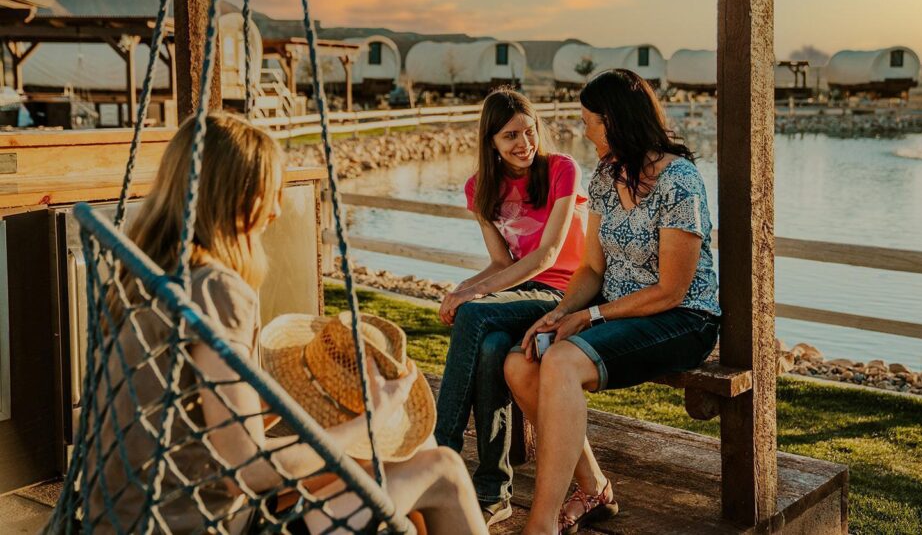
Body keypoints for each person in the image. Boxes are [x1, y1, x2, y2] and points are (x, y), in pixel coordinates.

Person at [88, 113, 486, 535]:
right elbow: (246, 471)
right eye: (270, 192)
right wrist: (369, 421)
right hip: (203, 523)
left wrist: (312, 400)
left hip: (125, 513)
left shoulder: (142, 276)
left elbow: (200, 415)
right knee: (442, 468)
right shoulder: (216, 290)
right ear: (237, 195)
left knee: (392, 459)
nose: (277, 210)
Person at [504, 70, 720, 535]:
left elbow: (672, 291)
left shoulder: (679, 182)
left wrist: (591, 315)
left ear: (616, 122)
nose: (584, 132)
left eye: (590, 122)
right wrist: (560, 312)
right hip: (615, 312)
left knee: (561, 362)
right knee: (521, 363)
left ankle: (539, 525)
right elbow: (591, 270)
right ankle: (595, 489)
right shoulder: (605, 175)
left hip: (683, 320)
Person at [433, 88, 587, 526]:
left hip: (564, 293)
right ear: (491, 143)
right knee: (489, 348)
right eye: (510, 136)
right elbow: (502, 262)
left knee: (475, 314)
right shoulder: (479, 188)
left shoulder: (561, 169)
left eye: (529, 130)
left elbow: (548, 255)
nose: (524, 143)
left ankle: (440, 449)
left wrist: (474, 297)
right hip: (520, 291)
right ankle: (493, 490)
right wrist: (463, 287)